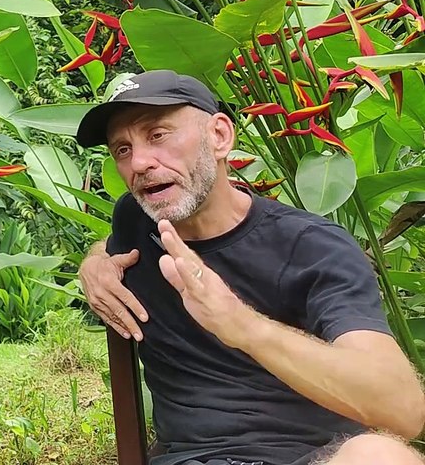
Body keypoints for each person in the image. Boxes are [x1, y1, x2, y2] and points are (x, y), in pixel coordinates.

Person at [75, 70, 425, 465]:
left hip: (315, 458)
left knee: (380, 456)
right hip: (192, 459)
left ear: (219, 136)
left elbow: (404, 410)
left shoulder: (313, 247)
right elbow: (110, 243)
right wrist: (95, 263)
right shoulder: (138, 221)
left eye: (158, 135)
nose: (139, 161)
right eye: (121, 149)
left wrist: (241, 325)